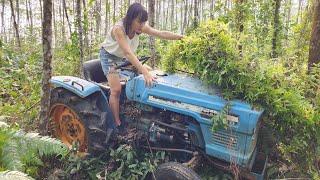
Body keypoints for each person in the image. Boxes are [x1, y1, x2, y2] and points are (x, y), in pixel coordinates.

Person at [100, 2, 183, 128]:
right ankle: (116, 124)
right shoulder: (119, 29)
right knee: (116, 89)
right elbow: (128, 52)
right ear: (131, 18)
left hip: (122, 57)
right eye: (139, 22)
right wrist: (144, 72)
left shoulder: (140, 27)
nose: (142, 25)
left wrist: (181, 37)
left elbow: (161, 33)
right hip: (109, 58)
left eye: (144, 22)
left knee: (151, 70)